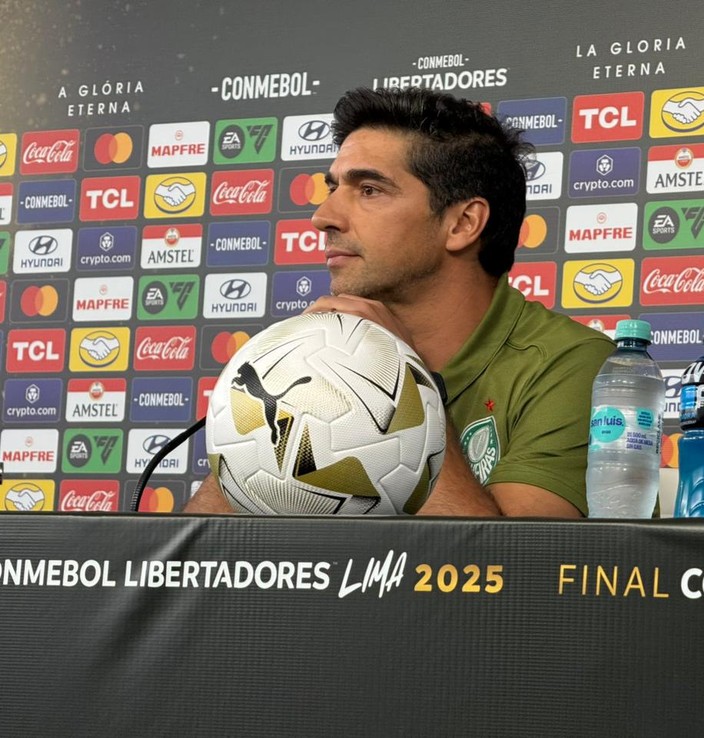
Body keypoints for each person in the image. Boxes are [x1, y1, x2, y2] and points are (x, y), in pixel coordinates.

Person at [184, 87, 614, 517]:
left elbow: (514, 572)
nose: (323, 216)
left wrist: (406, 383)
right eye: (333, 187)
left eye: (369, 190)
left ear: (463, 223)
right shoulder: (315, 361)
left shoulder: (575, 366)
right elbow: (189, 567)